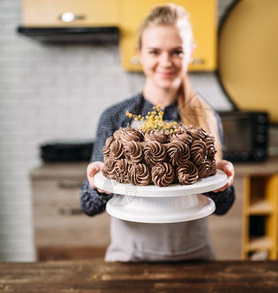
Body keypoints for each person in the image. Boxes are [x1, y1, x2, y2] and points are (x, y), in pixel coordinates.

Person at [80, 3, 235, 262]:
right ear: (139, 52)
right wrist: (97, 184)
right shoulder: (115, 117)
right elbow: (88, 205)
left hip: (194, 256)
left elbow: (223, 207)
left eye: (177, 51)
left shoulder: (204, 117)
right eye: (154, 51)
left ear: (191, 53)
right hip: (129, 257)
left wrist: (223, 183)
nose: (166, 62)